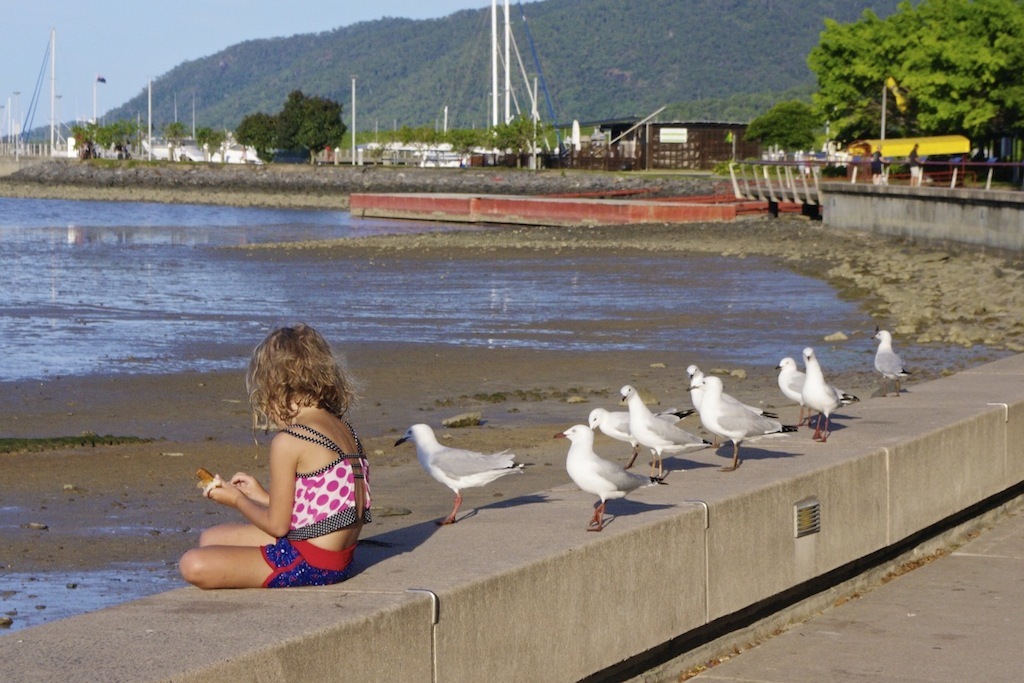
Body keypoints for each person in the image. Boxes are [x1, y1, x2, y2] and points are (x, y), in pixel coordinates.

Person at [179, 324, 371, 589]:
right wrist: (260, 496)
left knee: (193, 563)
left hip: (311, 563)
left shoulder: (291, 439)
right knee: (210, 537)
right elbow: (326, 507)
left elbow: (278, 527)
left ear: (275, 388)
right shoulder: (344, 429)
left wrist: (236, 500)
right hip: (339, 557)